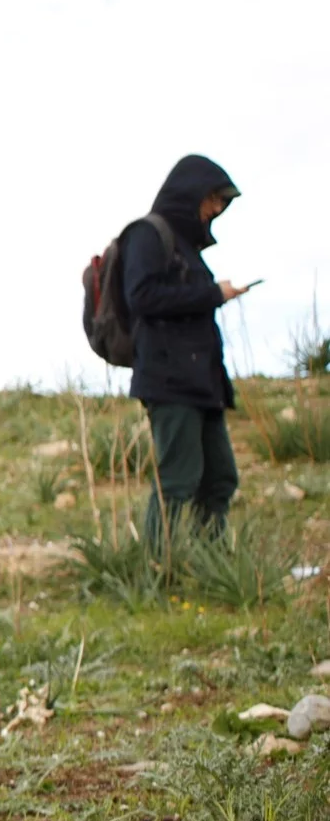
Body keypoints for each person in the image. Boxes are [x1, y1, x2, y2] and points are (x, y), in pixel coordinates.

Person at [123, 154, 253, 542]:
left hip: (203, 381)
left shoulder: (188, 248)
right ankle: (157, 569)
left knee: (220, 479)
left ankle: (208, 563)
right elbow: (141, 296)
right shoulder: (147, 234)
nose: (216, 208)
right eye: (212, 198)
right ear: (190, 193)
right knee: (178, 481)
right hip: (169, 379)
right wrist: (212, 293)